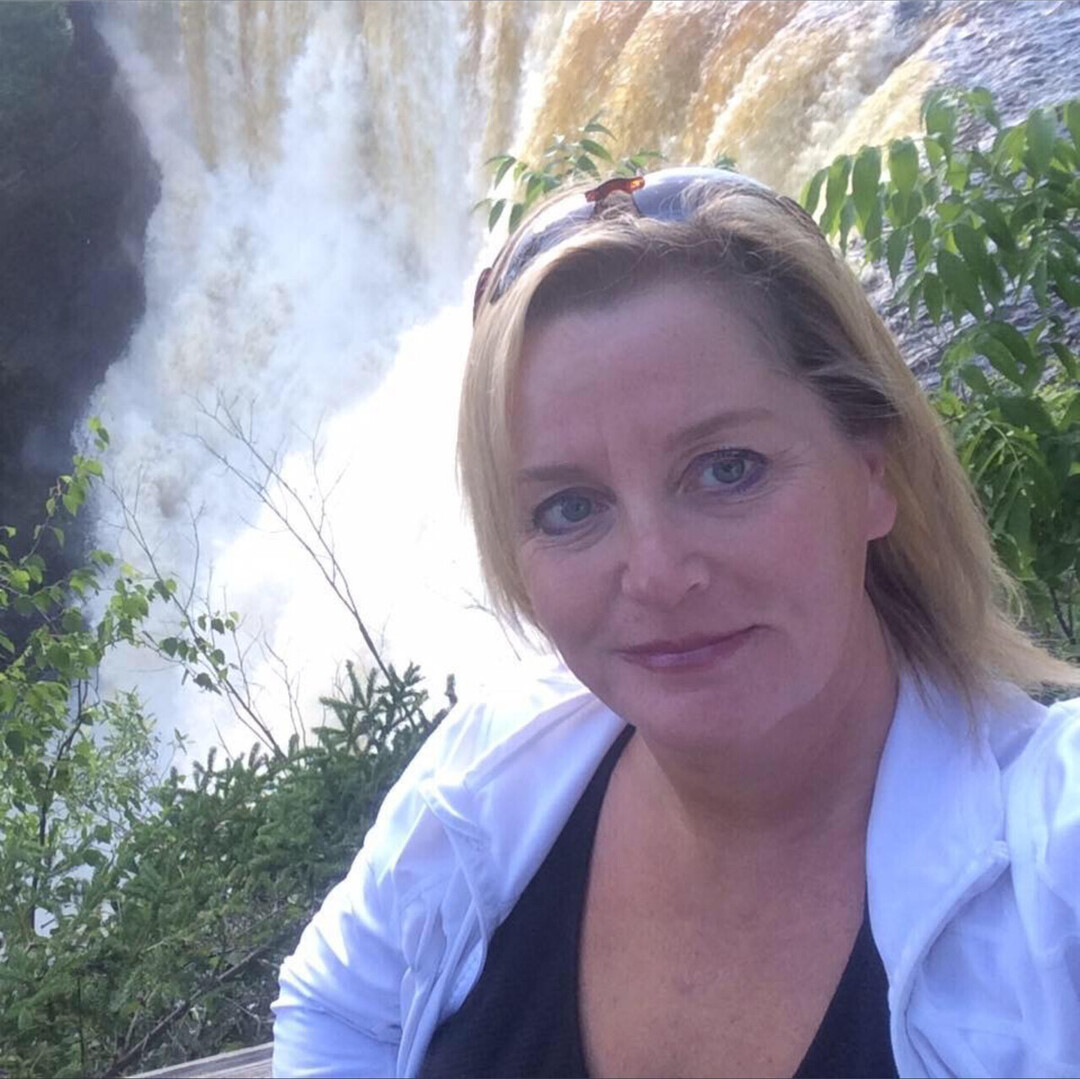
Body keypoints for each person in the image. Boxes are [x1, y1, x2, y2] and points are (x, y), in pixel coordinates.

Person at [271, 168, 1080, 1078]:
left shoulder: (1052, 859)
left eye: (727, 468)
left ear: (873, 472)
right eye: (570, 507)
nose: (656, 575)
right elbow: (334, 1009)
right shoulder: (493, 771)